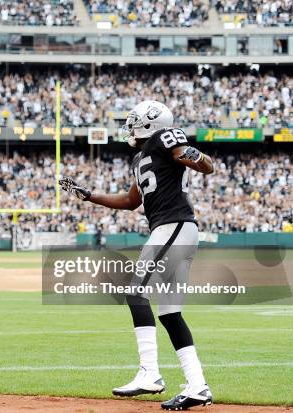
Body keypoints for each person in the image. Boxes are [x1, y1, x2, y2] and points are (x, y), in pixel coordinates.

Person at [59, 100, 215, 411]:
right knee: (170, 313)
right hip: (175, 229)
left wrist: (194, 157)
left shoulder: (165, 138)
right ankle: (197, 385)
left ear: (150, 123)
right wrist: (90, 195)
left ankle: (150, 373)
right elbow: (131, 201)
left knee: (135, 292)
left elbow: (204, 163)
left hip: (173, 225)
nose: (130, 126)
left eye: (135, 121)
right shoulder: (141, 156)